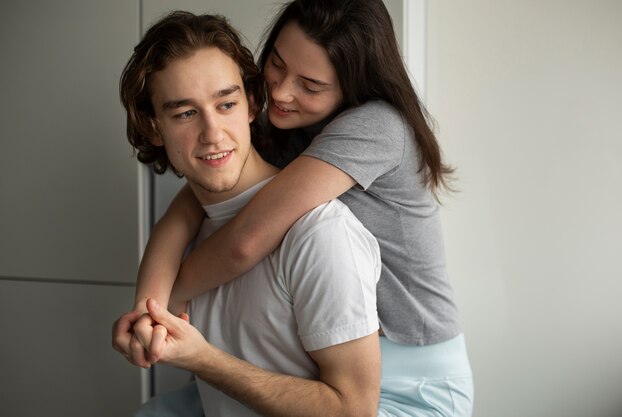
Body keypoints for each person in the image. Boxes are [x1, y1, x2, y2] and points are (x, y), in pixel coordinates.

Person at [117, 0, 474, 415]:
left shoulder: (375, 128)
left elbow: (246, 240)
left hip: (415, 376)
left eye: (311, 84)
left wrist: (168, 307)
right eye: (278, 65)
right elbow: (183, 211)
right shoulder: (287, 129)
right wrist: (148, 306)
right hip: (345, 347)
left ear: (351, 85)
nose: (282, 92)